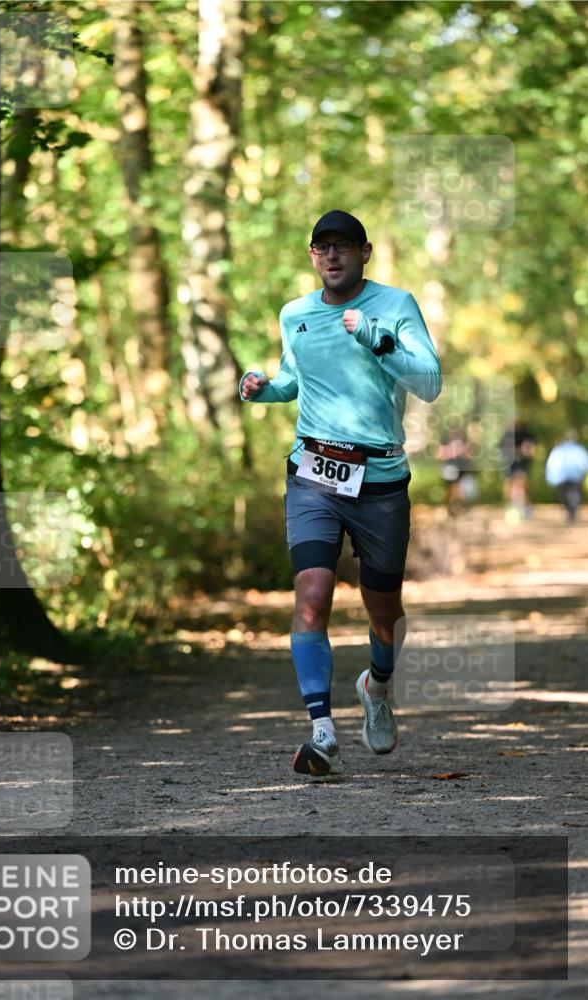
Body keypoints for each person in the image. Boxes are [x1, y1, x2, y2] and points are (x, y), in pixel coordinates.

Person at [239, 210, 442, 777]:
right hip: (313, 475)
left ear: (365, 253)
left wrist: (380, 341)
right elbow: (293, 381)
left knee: (385, 616)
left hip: (379, 483)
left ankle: (377, 688)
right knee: (311, 594)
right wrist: (261, 388)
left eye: (344, 247)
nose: (333, 256)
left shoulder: (395, 305)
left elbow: (429, 382)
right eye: (322, 247)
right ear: (311, 256)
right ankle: (322, 733)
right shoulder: (295, 314)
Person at [545, 430, 588, 523]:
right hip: (576, 477)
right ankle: (572, 513)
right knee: (575, 495)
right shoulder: (579, 449)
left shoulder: (559, 449)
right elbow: (584, 462)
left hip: (563, 477)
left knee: (565, 495)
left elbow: (552, 464)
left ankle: (571, 513)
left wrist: (551, 477)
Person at [500, 420, 536, 520]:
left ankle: (525, 509)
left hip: (521, 465)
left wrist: (522, 451)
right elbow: (500, 451)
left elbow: (531, 451)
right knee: (510, 489)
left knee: (520, 486)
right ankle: (514, 507)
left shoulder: (526, 434)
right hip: (509, 466)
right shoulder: (506, 435)